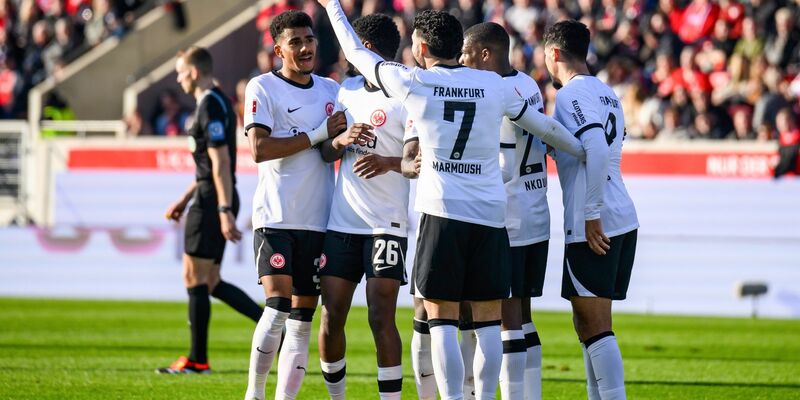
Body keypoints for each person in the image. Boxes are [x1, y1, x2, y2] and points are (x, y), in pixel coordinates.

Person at [319, 1, 585, 398]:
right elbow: (545, 127)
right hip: (491, 217)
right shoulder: (494, 85)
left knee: (441, 319)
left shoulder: (415, 81)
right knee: (488, 322)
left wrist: (332, 7)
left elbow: (357, 53)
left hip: (442, 213)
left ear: (422, 48)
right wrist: (584, 150)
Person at [242, 10, 347, 400]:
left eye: (309, 39)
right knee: (276, 308)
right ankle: (254, 393)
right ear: (278, 50)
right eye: (295, 42)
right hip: (277, 216)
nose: (305, 48)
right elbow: (259, 149)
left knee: (302, 323)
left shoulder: (331, 90)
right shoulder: (263, 87)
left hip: (318, 220)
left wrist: (339, 141)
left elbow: (327, 152)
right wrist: (318, 133)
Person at [542, 20, 640, 400]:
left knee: (595, 325)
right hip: (621, 212)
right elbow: (592, 149)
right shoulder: (607, 92)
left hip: (597, 220)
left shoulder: (571, 94)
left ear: (554, 53)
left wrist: (591, 212)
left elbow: (596, 148)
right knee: (588, 323)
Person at [316, 14, 409, 400]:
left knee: (380, 317)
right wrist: (339, 142)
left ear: (365, 49)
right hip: (343, 224)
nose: (345, 55)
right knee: (331, 315)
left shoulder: (407, 93)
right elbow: (325, 153)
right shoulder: (346, 90)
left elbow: (422, 161)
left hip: (387, 224)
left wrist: (388, 162)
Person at [156, 46, 263, 374]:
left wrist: (223, 208)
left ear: (194, 72)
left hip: (212, 200)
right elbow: (209, 165)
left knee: (194, 276)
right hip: (209, 195)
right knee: (212, 280)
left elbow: (221, 163)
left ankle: (197, 360)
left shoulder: (210, 105)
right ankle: (276, 329)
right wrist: (185, 198)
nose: (178, 79)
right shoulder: (214, 101)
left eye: (180, 73)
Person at [460, 22, 549, 400]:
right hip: (536, 211)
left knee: (505, 316)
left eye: (466, 53)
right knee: (524, 315)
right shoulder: (528, 84)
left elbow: (501, 165)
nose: (461, 59)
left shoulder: (494, 91)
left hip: (507, 216)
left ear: (485, 54)